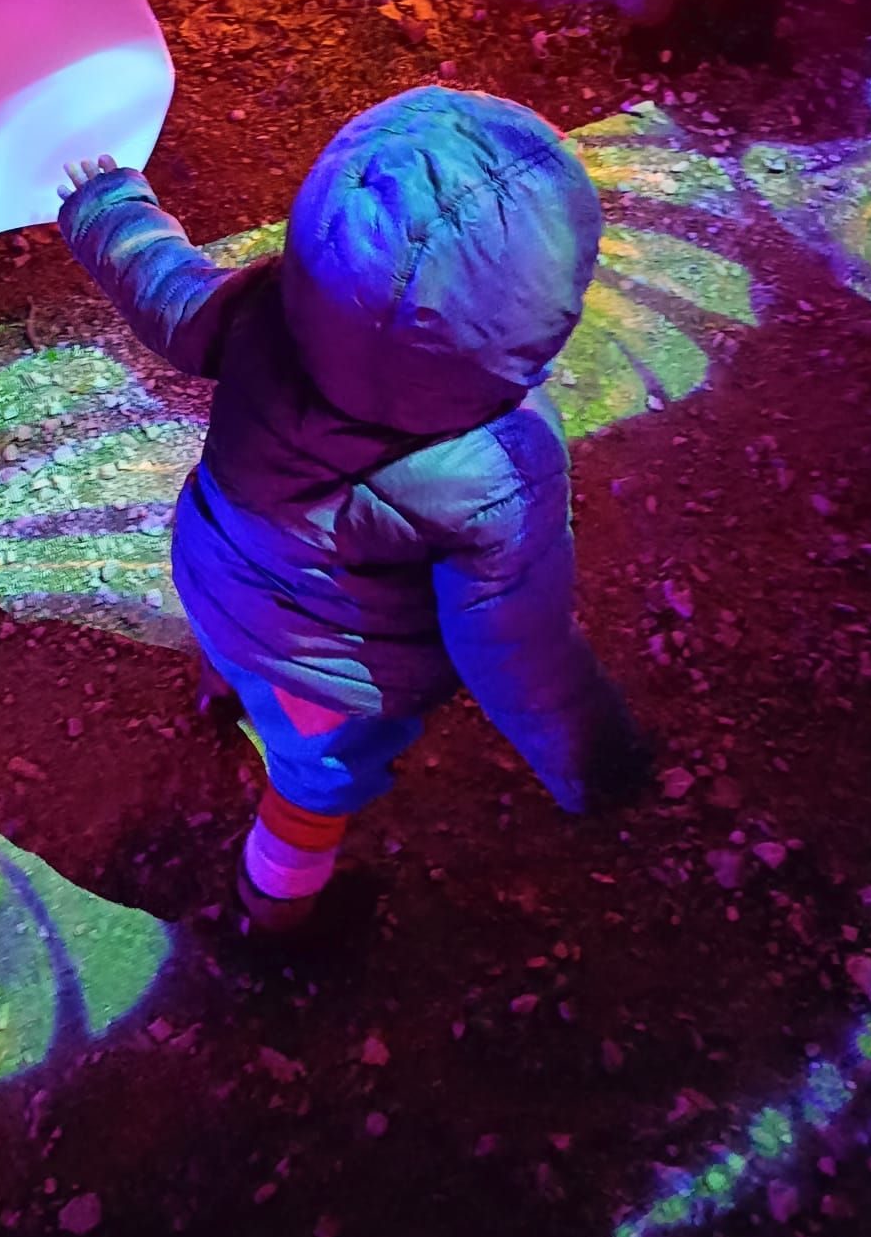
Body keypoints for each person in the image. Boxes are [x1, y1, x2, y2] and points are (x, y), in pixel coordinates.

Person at [57, 86, 651, 934]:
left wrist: (110, 208)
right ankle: (276, 912)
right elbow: (517, 647)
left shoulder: (265, 305)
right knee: (312, 785)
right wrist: (594, 759)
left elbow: (168, 292)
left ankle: (217, 691)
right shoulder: (503, 468)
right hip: (328, 674)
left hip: (211, 569)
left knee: (239, 639)